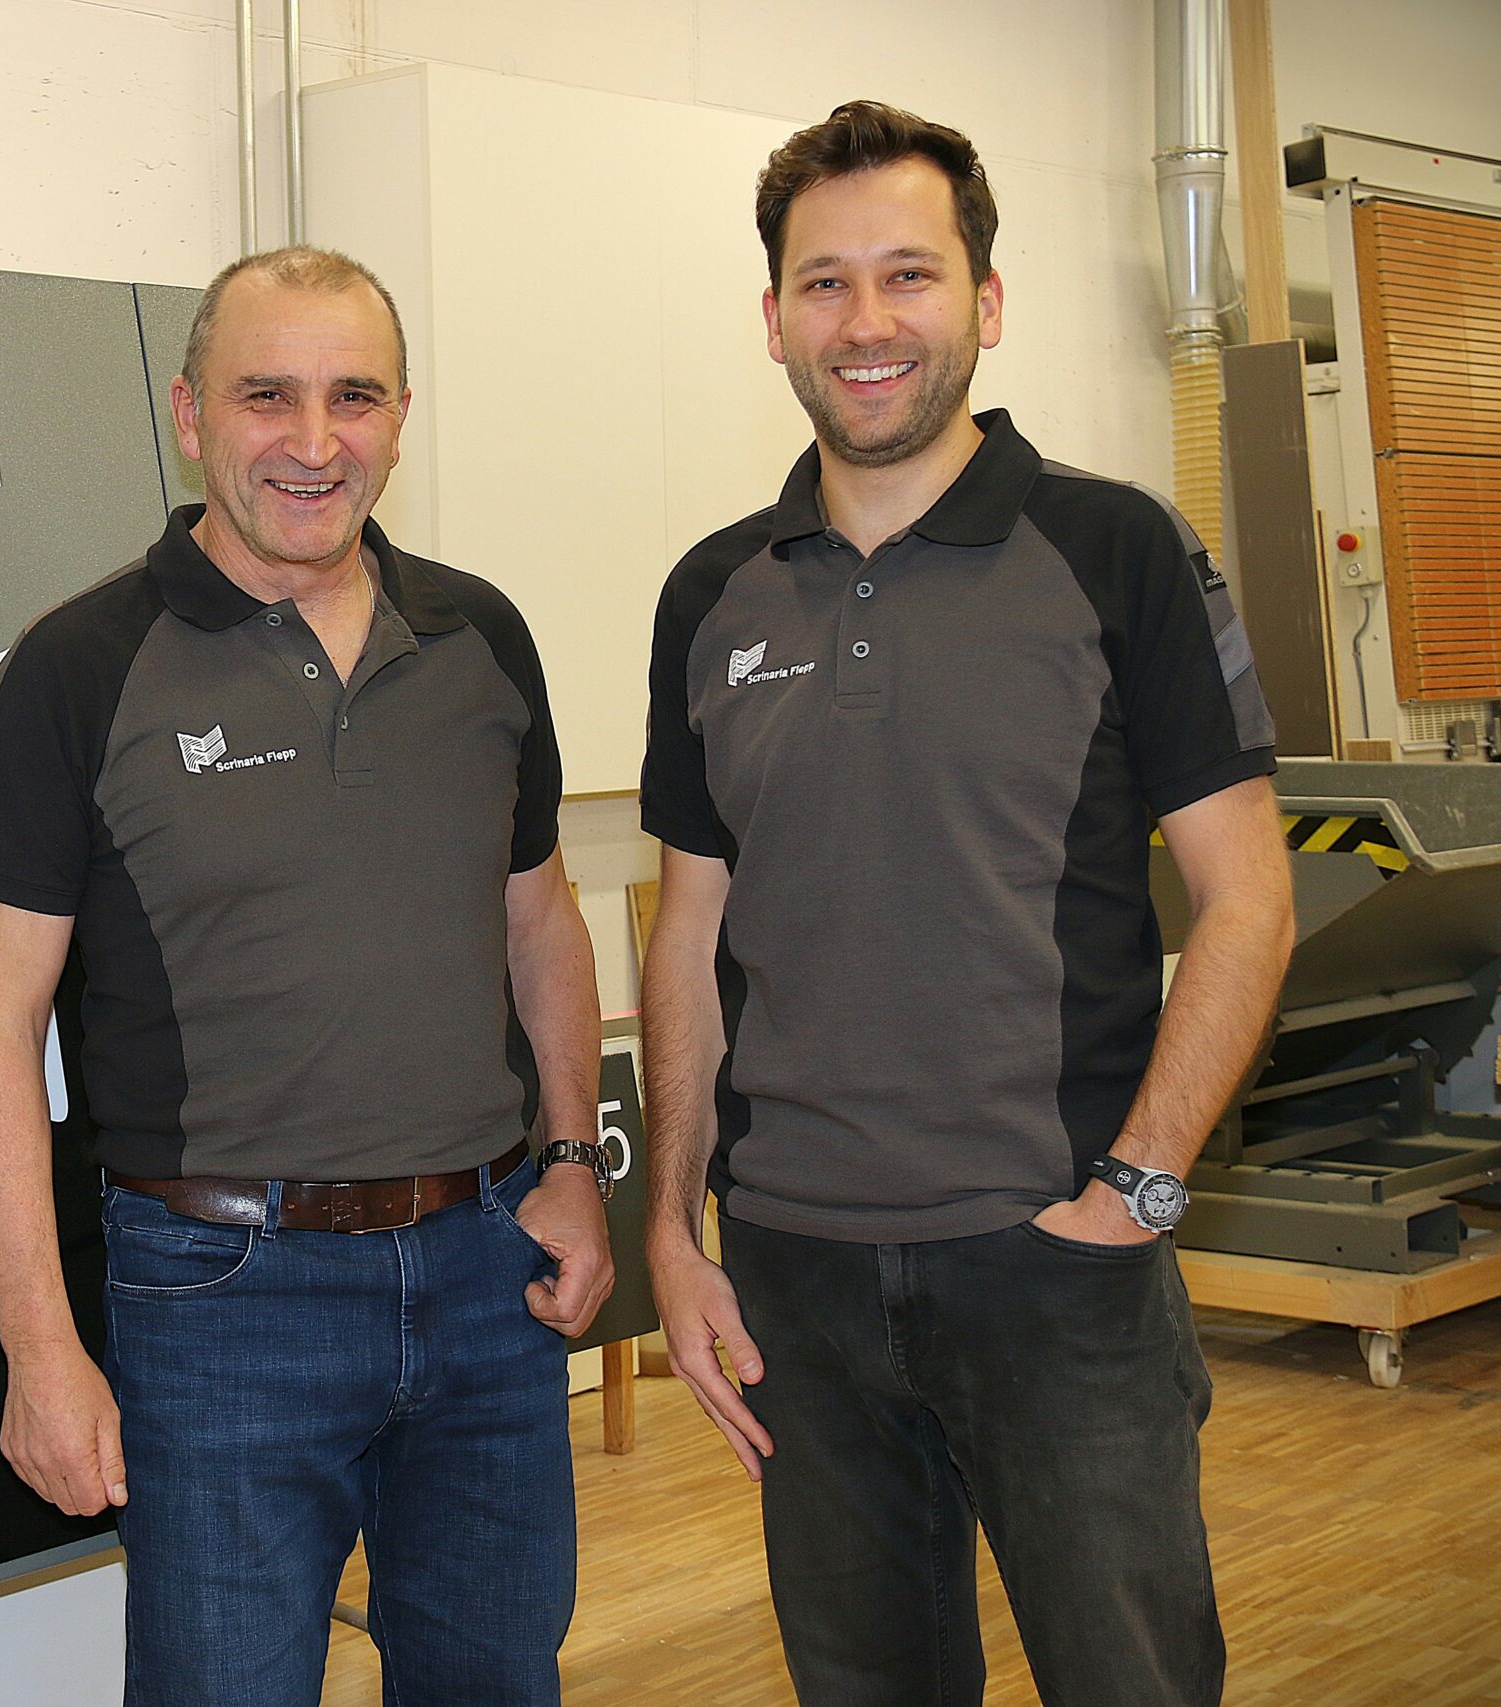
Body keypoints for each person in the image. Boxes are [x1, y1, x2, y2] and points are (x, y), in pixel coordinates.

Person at [638, 101, 1297, 1707]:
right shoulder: (712, 594)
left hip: (1055, 1264)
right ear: (775, 318)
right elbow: (688, 932)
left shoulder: (1118, 550)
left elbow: (1248, 898)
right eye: (825, 282)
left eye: (910, 275)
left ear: (985, 304)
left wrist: (1139, 1190)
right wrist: (671, 1225)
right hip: (796, 1274)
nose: (866, 321)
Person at [0, 245, 614, 1707]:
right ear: (192, 415)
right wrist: (39, 1343)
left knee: (498, 1682)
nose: (315, 442)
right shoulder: (80, 665)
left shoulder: (482, 638)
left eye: (354, 397)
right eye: (268, 396)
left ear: (401, 418)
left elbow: (542, 923)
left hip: (487, 1272)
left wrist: (572, 1163)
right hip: (219, 1297)